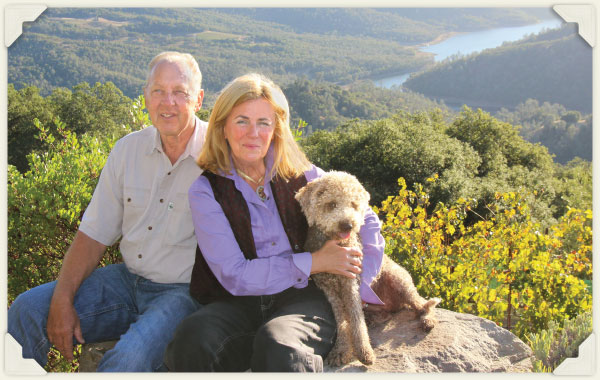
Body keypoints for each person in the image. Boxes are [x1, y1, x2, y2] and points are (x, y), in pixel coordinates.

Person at [164, 73, 385, 372]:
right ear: (223, 127)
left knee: (280, 346)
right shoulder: (206, 191)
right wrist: (315, 261)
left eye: (264, 123)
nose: (252, 133)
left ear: (276, 129)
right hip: (237, 301)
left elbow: (367, 218)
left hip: (303, 297)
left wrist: (360, 286)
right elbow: (234, 275)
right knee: (192, 338)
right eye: (241, 120)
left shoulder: (303, 175)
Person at [7, 51, 208, 372]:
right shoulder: (128, 150)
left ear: (197, 100)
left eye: (179, 92)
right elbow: (93, 234)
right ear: (145, 97)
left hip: (184, 294)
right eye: (158, 91)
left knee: (125, 361)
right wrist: (62, 298)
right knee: (26, 309)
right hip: (124, 283)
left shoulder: (220, 153)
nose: (167, 102)